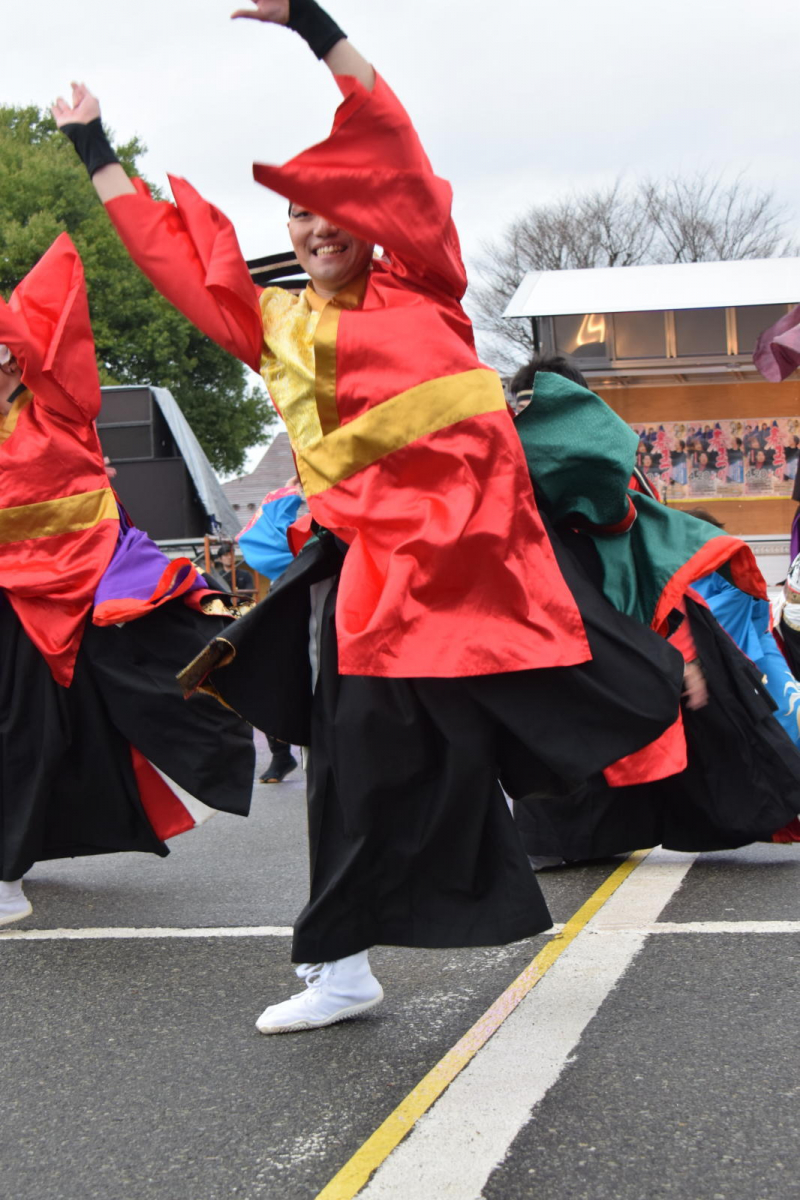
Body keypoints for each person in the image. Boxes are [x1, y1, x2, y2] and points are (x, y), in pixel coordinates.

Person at [54, 1, 685, 1033]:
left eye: (333, 209)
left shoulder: (426, 284)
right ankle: (341, 964)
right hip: (375, 592)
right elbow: (169, 257)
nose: (315, 226)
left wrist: (314, 26)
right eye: (297, 215)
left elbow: (394, 142)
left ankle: (674, 781)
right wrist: (91, 146)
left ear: (371, 218)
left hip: (492, 577)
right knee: (351, 765)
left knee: (617, 698)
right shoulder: (274, 325)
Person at [0, 235, 255, 927]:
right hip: (7, 600)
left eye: (1, 353)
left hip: (75, 596)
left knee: (33, 730)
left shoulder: (55, 411)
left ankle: (6, 872)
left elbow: (54, 311)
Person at [506, 357, 800, 864]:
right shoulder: (517, 472)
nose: (534, 422)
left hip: (612, 610)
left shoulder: (605, 467)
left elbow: (638, 553)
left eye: (544, 407)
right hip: (563, 618)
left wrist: (674, 652)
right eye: (524, 408)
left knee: (714, 720)